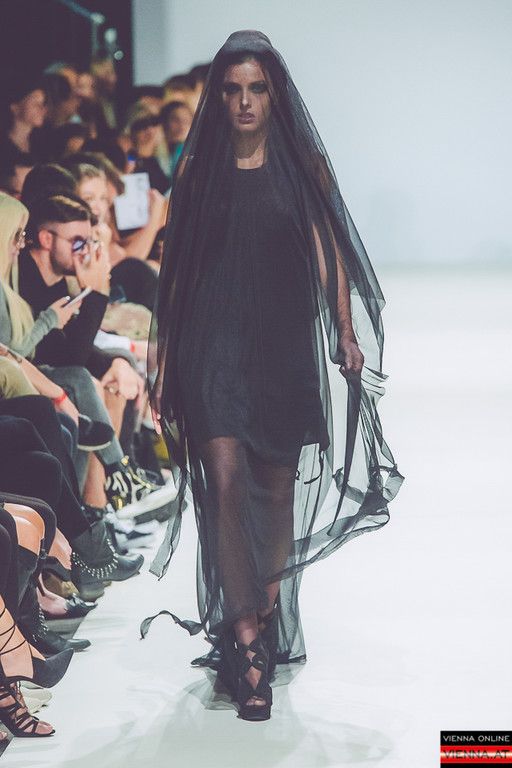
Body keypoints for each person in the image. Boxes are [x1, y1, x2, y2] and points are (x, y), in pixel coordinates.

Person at [141, 30, 403, 721]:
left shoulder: (302, 166)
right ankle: (248, 641)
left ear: (275, 95)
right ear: (218, 97)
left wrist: (344, 330)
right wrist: (164, 363)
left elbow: (329, 251)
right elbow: (177, 272)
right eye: (233, 89)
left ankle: (261, 605)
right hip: (210, 344)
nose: (245, 101)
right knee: (224, 481)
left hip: (282, 346)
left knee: (275, 491)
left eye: (256, 88)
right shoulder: (198, 171)